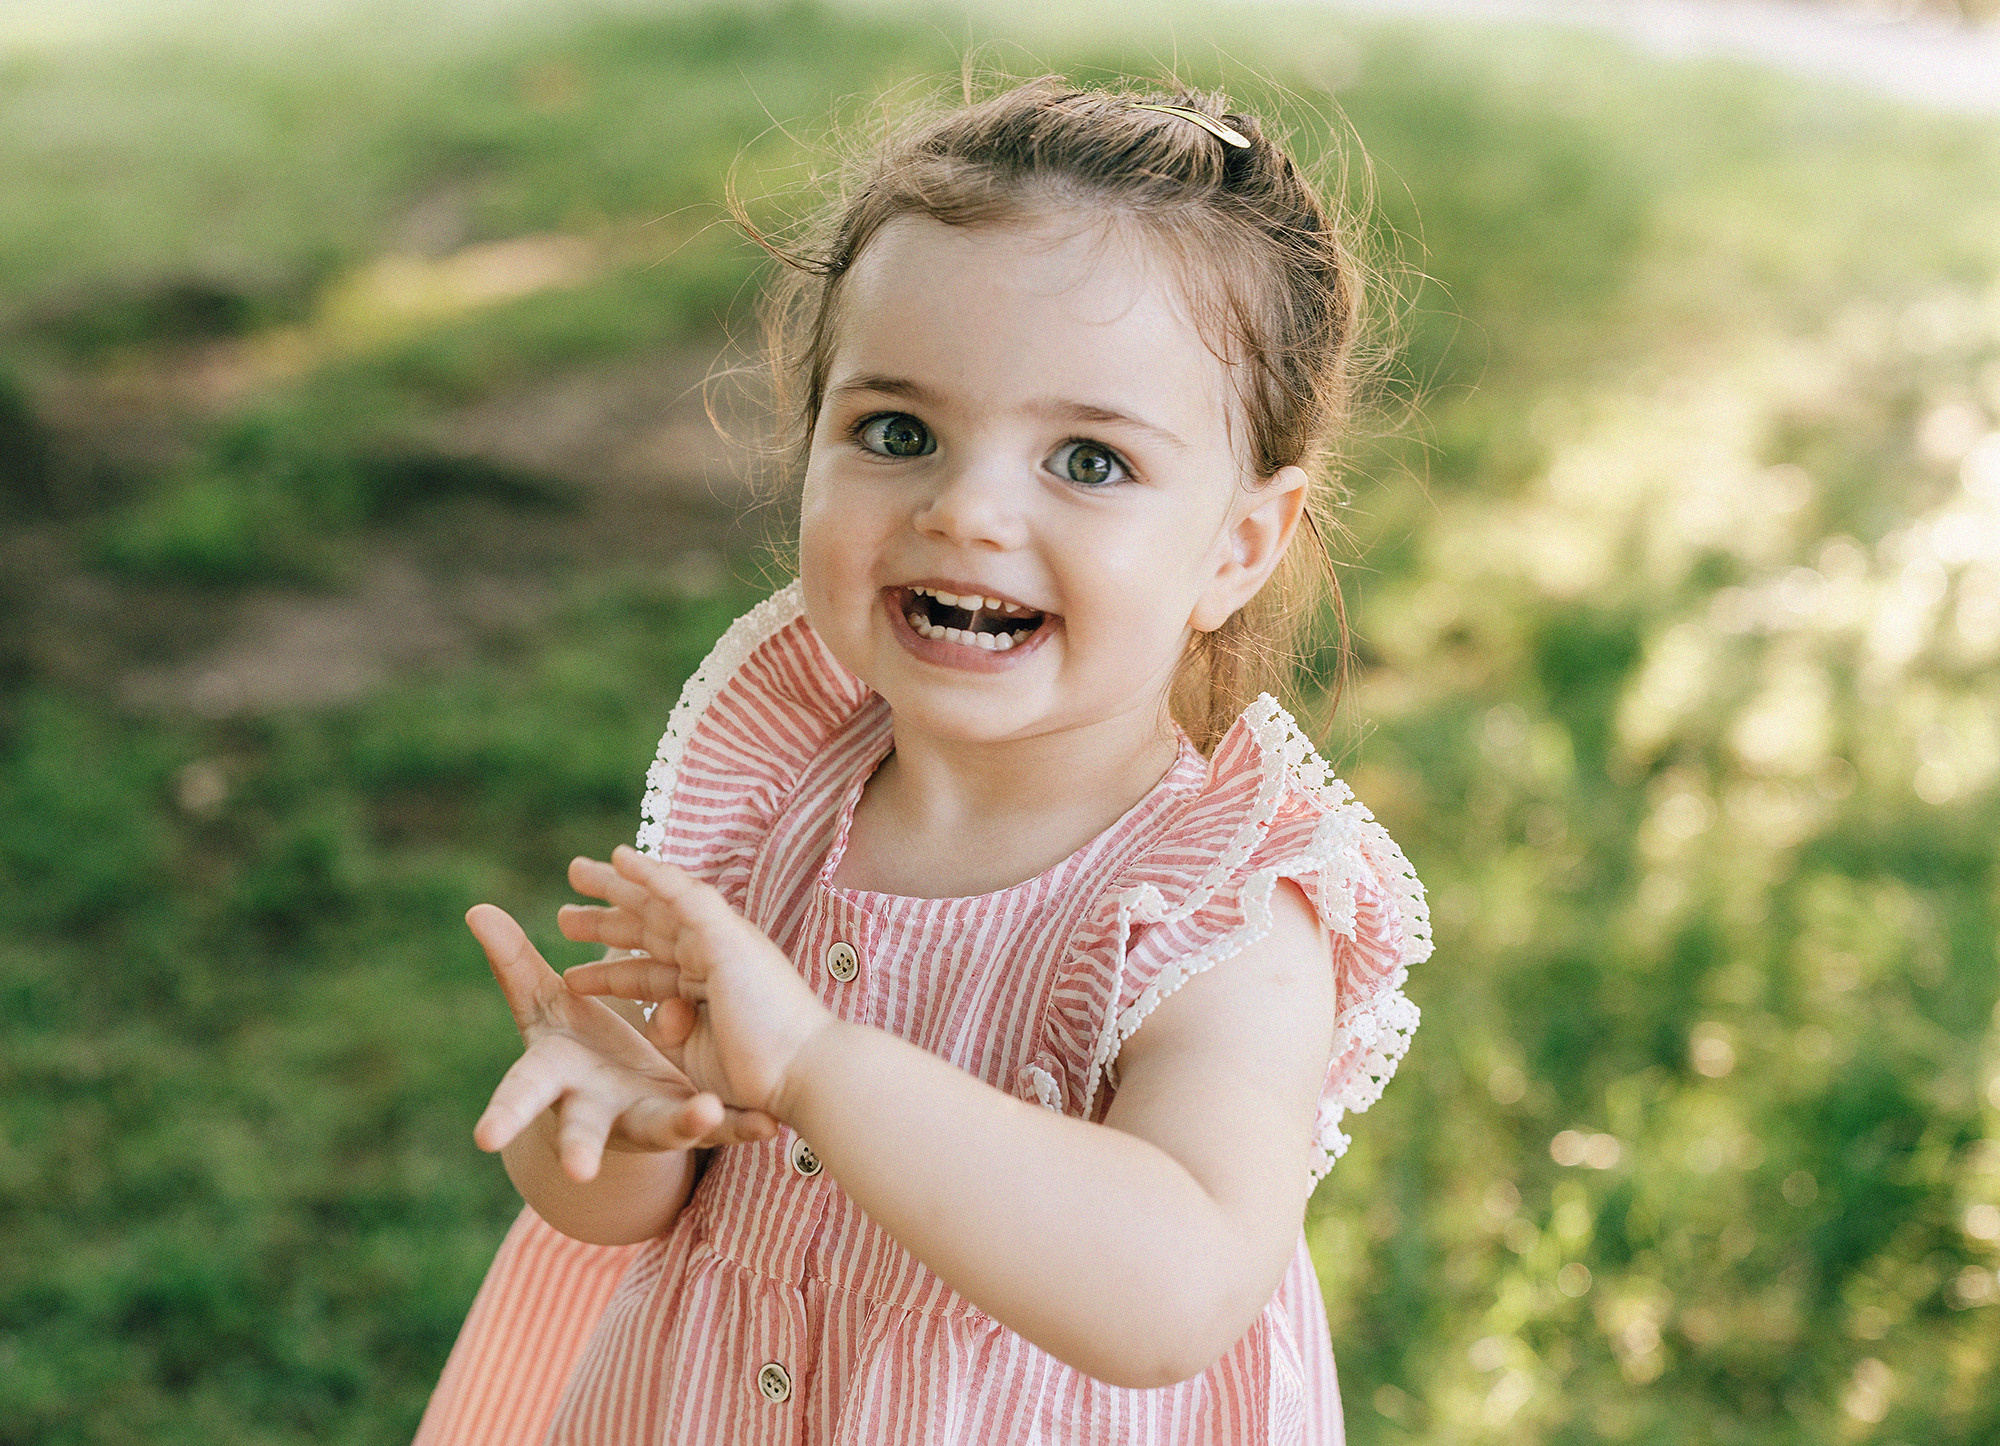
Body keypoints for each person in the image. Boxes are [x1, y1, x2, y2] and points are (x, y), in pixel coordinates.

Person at [413, 76, 1429, 1446]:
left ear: (1240, 545)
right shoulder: (777, 797)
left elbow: (1176, 1287)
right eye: (898, 433)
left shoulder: (1222, 912)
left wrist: (822, 1063)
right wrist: (606, 1124)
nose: (966, 509)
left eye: (1088, 457)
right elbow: (645, 1212)